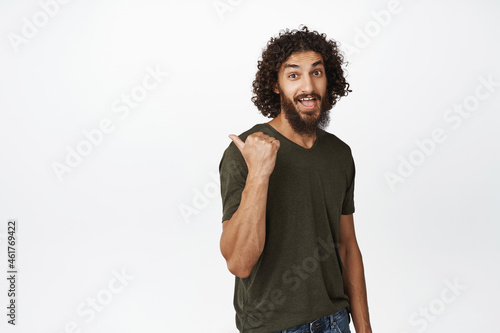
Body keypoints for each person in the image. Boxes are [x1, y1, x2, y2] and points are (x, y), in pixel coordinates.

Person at [219, 25, 372, 333]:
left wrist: (364, 328)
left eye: (317, 73)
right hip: (274, 327)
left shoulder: (339, 153)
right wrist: (260, 173)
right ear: (275, 85)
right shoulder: (245, 153)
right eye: (293, 75)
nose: (308, 86)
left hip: (336, 321)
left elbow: (347, 246)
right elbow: (239, 262)